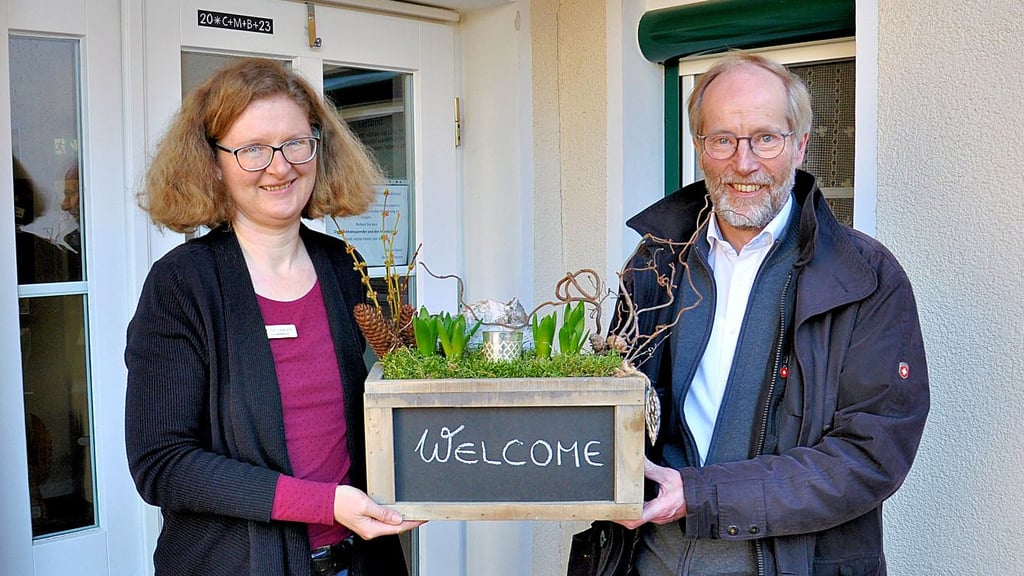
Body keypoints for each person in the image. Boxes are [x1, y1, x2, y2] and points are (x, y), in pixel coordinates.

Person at [612, 52, 929, 575]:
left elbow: (870, 456)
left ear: (799, 145)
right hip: (653, 561)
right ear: (699, 148)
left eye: (766, 138)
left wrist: (702, 495)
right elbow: (615, 404)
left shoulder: (865, 278)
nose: (744, 163)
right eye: (723, 140)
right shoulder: (654, 263)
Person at [125, 58, 422, 576]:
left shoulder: (342, 267)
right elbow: (163, 465)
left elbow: (394, 398)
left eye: (295, 142)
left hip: (363, 560)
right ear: (213, 163)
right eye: (252, 149)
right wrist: (324, 504)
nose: (280, 166)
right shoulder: (182, 285)